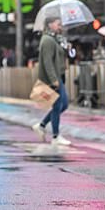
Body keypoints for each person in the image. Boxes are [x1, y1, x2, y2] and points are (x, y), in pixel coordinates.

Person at [31, 16, 71, 147]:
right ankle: (55, 136)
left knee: (63, 104)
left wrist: (67, 48)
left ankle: (42, 125)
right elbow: (47, 62)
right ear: (50, 25)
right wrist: (53, 79)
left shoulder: (55, 39)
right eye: (58, 24)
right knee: (58, 105)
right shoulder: (47, 40)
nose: (60, 26)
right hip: (53, 77)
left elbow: (60, 56)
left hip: (58, 75)